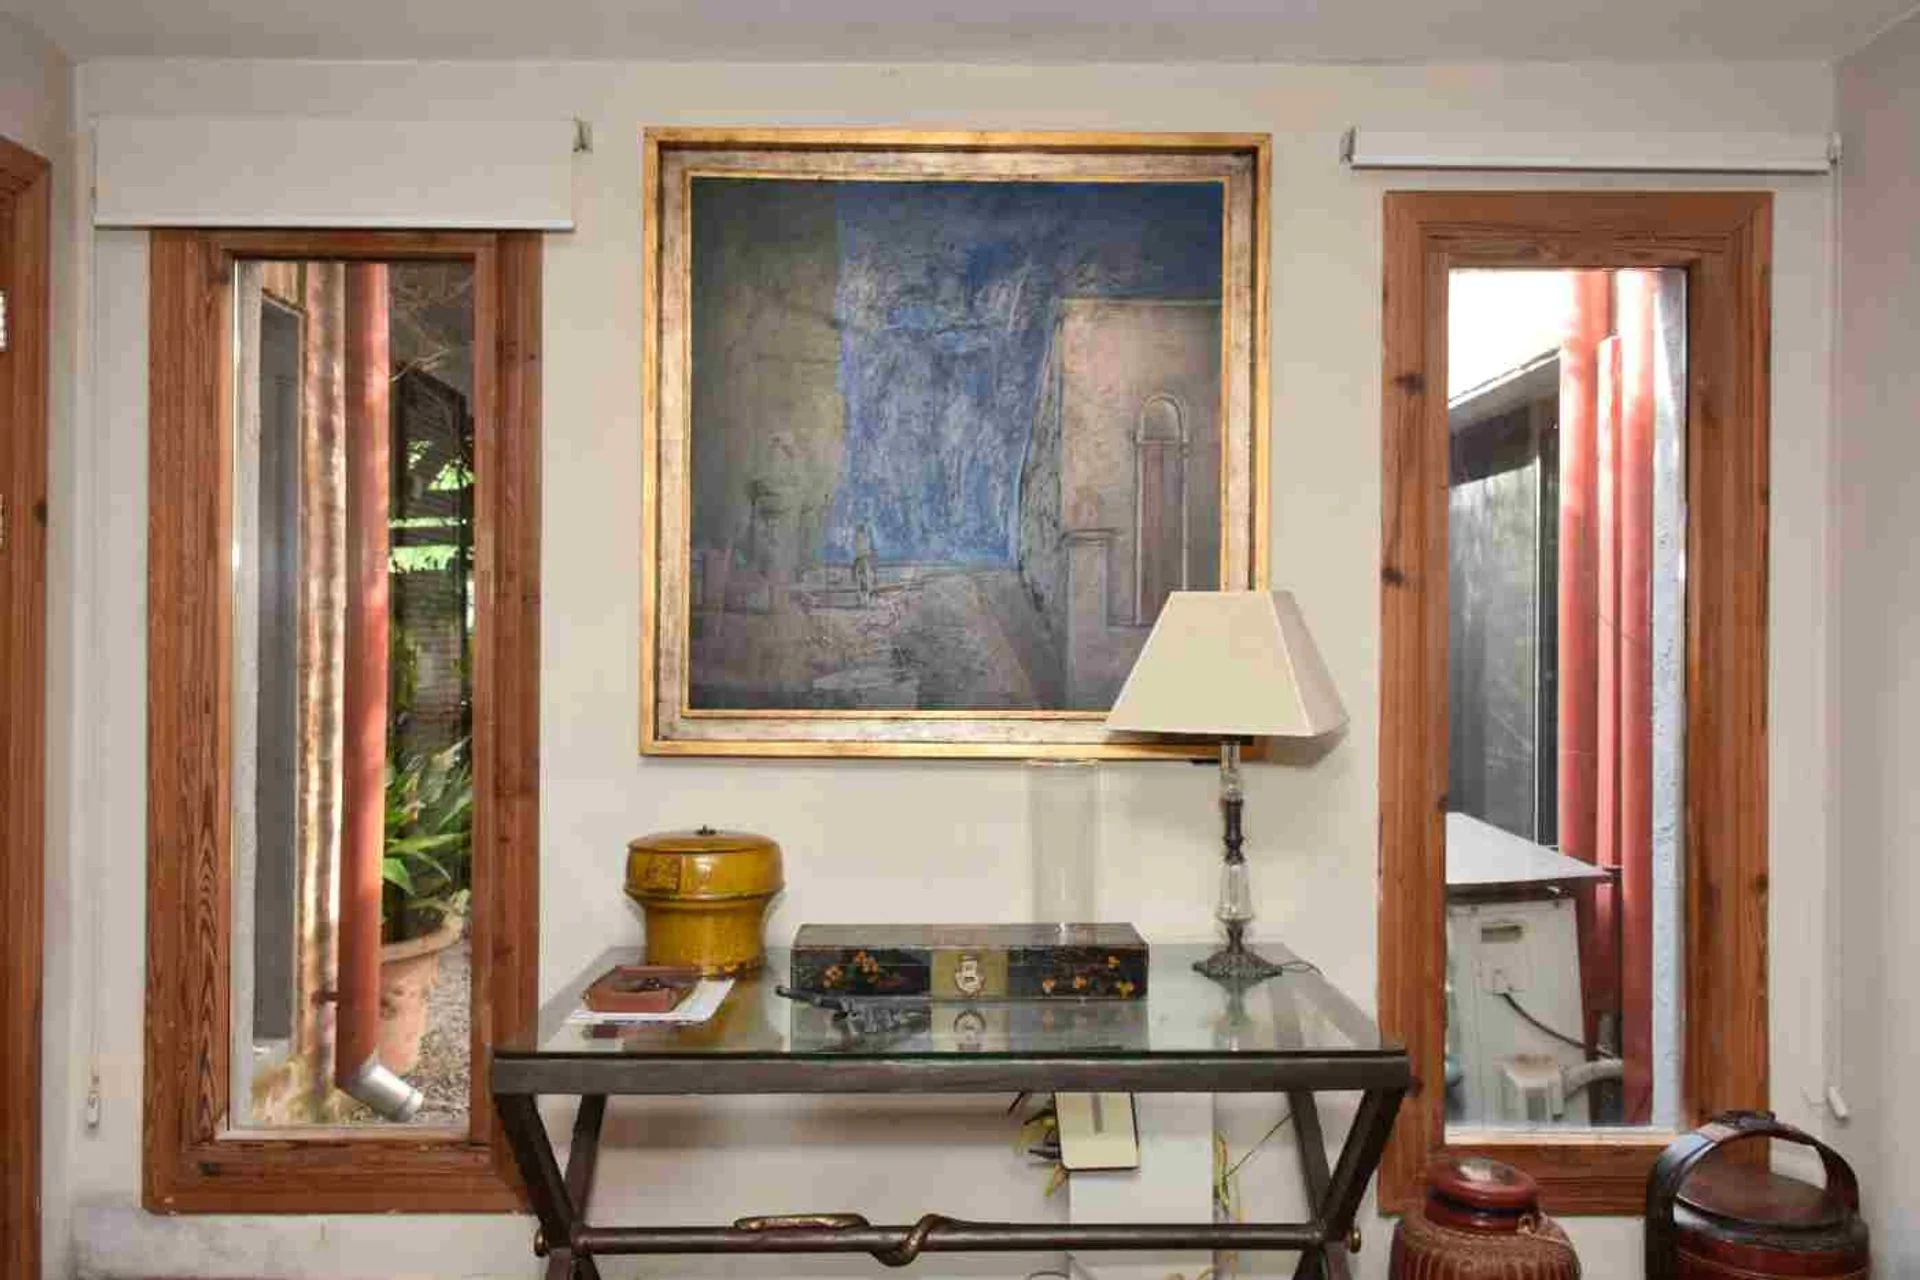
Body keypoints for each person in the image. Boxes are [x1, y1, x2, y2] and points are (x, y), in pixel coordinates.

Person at [852, 521, 877, 607]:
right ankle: (865, 600)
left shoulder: (860, 537)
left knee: (862, 580)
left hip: (862, 559)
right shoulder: (865, 537)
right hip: (863, 559)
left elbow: (857, 547)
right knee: (864, 580)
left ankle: (865, 600)